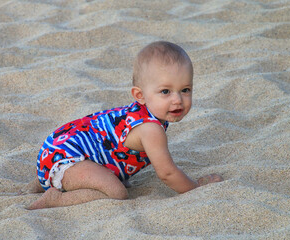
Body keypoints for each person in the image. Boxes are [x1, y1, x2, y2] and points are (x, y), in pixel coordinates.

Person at [24, 41, 223, 210]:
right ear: (140, 95)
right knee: (116, 192)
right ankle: (57, 198)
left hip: (58, 148)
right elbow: (167, 173)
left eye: (185, 90)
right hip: (65, 158)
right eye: (165, 92)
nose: (177, 100)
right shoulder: (151, 129)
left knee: (114, 179)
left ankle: (49, 180)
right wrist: (195, 188)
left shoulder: (142, 112)